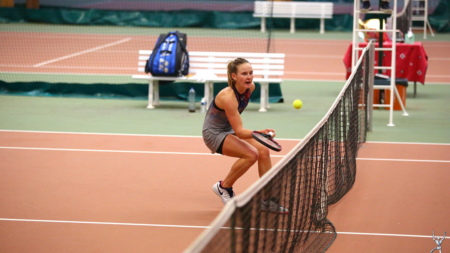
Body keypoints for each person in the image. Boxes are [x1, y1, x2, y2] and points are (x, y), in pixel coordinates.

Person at [202, 58, 288, 214]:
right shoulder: (228, 97)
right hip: (214, 134)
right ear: (234, 76)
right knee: (251, 154)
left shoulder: (251, 88)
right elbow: (241, 131)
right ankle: (224, 187)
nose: (249, 77)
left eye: (251, 73)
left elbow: (238, 129)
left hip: (229, 129)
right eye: (244, 74)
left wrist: (257, 134)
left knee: (263, 151)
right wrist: (259, 132)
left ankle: (268, 200)